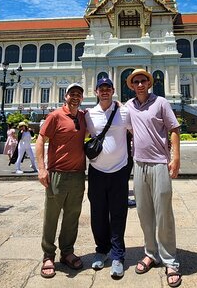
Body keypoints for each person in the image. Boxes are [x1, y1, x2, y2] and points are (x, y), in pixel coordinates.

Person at [125, 69, 182, 288]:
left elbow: (174, 129)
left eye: (143, 81)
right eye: (136, 82)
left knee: (163, 212)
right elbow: (124, 127)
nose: (140, 84)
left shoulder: (161, 103)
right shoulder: (129, 106)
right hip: (138, 164)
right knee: (143, 212)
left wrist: (175, 158)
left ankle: (170, 260)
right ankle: (151, 252)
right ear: (131, 85)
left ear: (150, 83)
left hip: (159, 163)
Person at [35, 83, 87, 278]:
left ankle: (67, 251)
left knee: (72, 216)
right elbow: (41, 140)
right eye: (72, 94)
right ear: (65, 96)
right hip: (57, 173)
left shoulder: (82, 117)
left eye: (79, 94)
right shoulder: (55, 115)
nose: (75, 97)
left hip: (78, 173)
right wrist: (41, 169)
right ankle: (48, 254)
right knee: (51, 215)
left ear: (82, 98)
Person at [84, 77, 131, 279]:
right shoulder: (88, 114)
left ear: (113, 90)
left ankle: (118, 255)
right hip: (97, 171)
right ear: (96, 92)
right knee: (98, 213)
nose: (104, 91)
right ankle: (102, 250)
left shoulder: (124, 111)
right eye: (101, 88)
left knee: (118, 213)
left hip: (119, 171)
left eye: (108, 88)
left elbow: (138, 132)